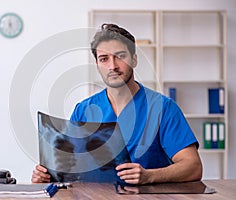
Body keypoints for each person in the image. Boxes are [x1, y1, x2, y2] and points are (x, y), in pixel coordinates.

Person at [31, 23, 202, 185]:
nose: (112, 66)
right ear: (97, 65)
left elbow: (193, 167)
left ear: (134, 60)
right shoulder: (83, 110)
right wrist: (47, 176)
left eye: (120, 56)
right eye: (104, 59)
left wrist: (150, 176)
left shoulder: (163, 108)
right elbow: (68, 168)